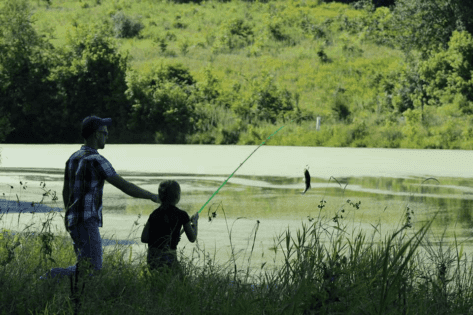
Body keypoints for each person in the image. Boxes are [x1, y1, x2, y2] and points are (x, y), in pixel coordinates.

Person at [40, 116, 161, 282]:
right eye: (105, 133)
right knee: (93, 268)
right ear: (96, 135)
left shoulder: (73, 158)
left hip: (73, 220)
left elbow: (65, 192)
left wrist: (69, 216)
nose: (107, 136)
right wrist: (152, 196)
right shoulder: (97, 160)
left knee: (85, 265)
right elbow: (125, 186)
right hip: (87, 220)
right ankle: (49, 277)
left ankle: (70, 291)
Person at [141, 180, 198, 275]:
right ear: (177, 196)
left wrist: (167, 238)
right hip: (169, 257)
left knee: (156, 283)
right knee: (179, 283)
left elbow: (144, 238)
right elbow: (192, 238)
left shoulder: (154, 214)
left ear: (160, 196)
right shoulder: (182, 215)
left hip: (152, 258)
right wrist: (195, 223)